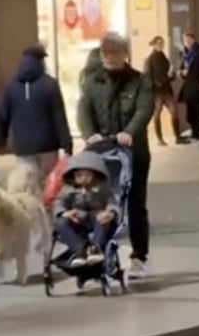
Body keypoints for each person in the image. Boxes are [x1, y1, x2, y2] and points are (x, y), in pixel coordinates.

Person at [77, 32, 153, 278]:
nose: (108, 57)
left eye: (113, 52)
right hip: (104, 152)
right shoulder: (93, 82)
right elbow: (84, 110)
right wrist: (89, 133)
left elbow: (144, 109)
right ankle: (102, 251)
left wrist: (129, 131)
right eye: (104, 53)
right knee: (103, 202)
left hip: (133, 152)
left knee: (134, 204)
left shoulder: (139, 81)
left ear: (125, 54)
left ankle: (139, 256)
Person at [0, 45, 72, 184]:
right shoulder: (50, 84)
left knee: (27, 186)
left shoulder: (11, 86)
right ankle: (47, 206)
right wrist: (67, 144)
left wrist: (0, 141)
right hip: (48, 146)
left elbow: (4, 116)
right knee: (48, 184)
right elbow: (59, 117)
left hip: (23, 146)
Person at [53, 150, 120, 268]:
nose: (83, 178)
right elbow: (59, 202)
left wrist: (111, 212)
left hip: (97, 218)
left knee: (102, 219)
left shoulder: (102, 188)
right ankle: (79, 249)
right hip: (78, 218)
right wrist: (64, 213)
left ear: (94, 174)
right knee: (60, 223)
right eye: (79, 175)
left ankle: (96, 247)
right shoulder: (68, 189)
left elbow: (112, 202)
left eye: (87, 175)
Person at [144, 36, 184, 146]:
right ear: (154, 45)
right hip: (157, 92)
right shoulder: (150, 60)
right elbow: (147, 77)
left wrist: (172, 75)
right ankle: (160, 139)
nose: (161, 45)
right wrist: (156, 84)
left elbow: (169, 74)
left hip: (166, 90)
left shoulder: (164, 58)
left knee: (174, 111)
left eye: (162, 43)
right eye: (158, 43)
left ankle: (178, 137)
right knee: (157, 114)